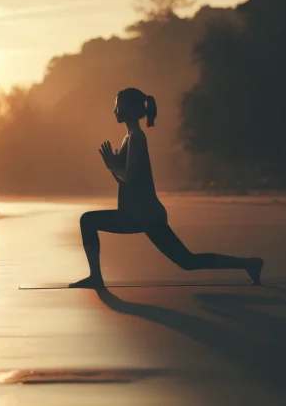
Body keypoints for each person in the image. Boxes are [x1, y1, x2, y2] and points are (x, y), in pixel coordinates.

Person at [70, 88, 264, 288]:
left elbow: (129, 177)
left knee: (88, 220)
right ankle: (249, 264)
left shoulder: (137, 137)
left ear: (129, 109)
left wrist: (112, 166)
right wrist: (113, 167)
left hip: (143, 215)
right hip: (141, 214)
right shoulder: (129, 137)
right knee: (188, 261)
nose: (114, 111)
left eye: (117, 106)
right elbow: (126, 181)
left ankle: (95, 277)